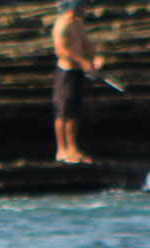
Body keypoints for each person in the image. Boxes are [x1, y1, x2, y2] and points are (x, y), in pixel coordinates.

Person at [52, 0, 104, 163]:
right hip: (65, 72)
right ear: (76, 7)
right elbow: (61, 50)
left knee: (74, 110)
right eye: (84, 6)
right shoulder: (61, 25)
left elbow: (87, 44)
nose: (86, 9)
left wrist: (95, 57)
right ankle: (62, 150)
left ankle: (73, 148)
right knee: (63, 110)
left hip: (77, 72)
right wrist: (81, 60)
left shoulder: (78, 24)